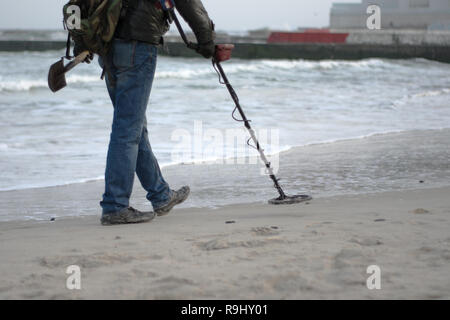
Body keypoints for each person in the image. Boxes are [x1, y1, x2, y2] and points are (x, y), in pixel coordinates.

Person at [74, 0, 216, 225]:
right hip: (138, 43)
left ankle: (161, 195)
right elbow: (189, 4)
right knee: (128, 129)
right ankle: (115, 206)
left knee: (134, 126)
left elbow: (76, 5)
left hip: (107, 46)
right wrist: (206, 40)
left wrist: (80, 41)